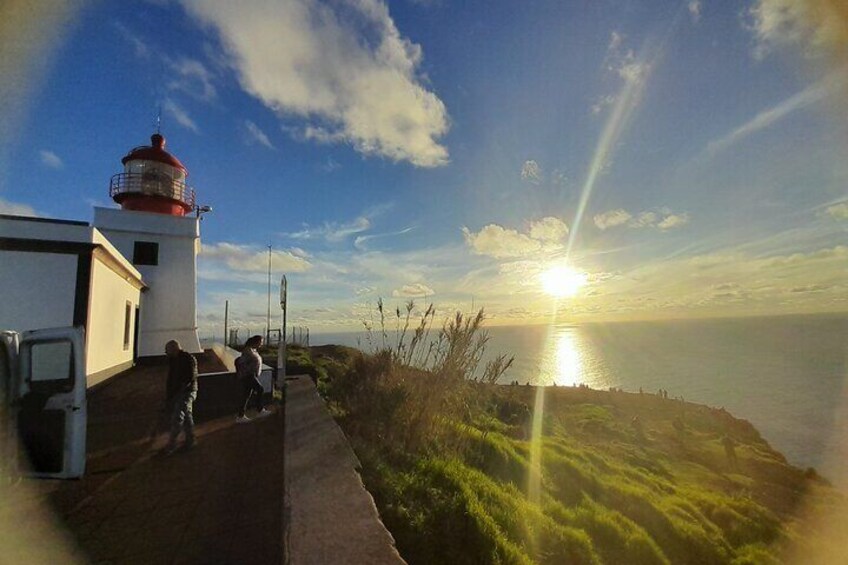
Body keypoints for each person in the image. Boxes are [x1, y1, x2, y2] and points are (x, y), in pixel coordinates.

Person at [162, 340, 198, 454]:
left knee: (178, 416)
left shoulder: (188, 359)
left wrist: (178, 391)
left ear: (174, 349)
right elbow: (171, 379)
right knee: (187, 415)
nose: (165, 353)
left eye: (167, 350)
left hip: (187, 392)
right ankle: (191, 439)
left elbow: (190, 377)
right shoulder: (174, 360)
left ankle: (172, 444)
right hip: (181, 392)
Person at [236, 335, 272, 423]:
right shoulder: (247, 351)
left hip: (251, 375)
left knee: (246, 395)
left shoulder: (252, 350)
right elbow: (240, 361)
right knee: (260, 389)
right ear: (255, 342)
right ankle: (260, 410)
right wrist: (246, 371)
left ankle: (240, 416)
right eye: (260, 342)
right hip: (248, 375)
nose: (261, 344)